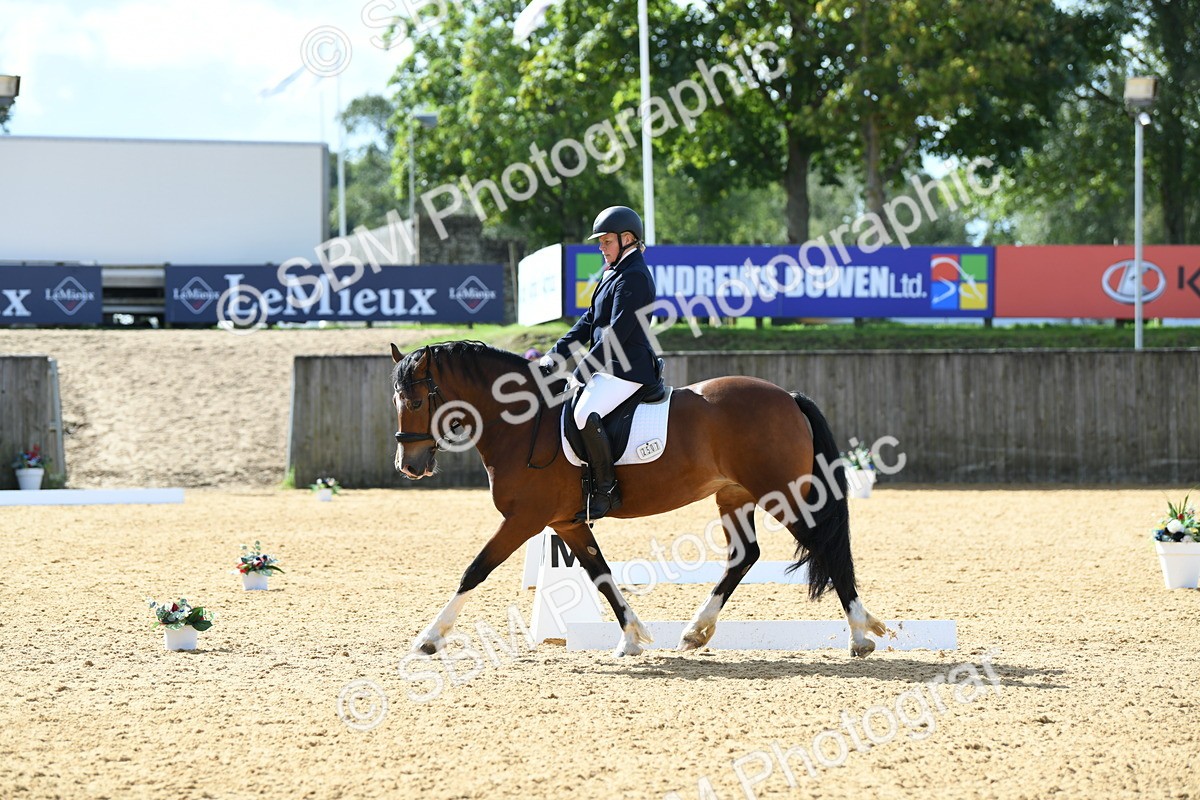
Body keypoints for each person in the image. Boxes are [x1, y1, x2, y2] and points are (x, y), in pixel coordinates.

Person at [540, 205, 659, 522]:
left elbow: (618, 333)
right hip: (610, 366)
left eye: (606, 241)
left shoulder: (634, 277)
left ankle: (607, 490)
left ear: (628, 239)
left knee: (583, 412)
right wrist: (557, 354)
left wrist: (581, 370)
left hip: (629, 368)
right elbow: (589, 322)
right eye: (601, 242)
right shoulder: (613, 274)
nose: (601, 248)